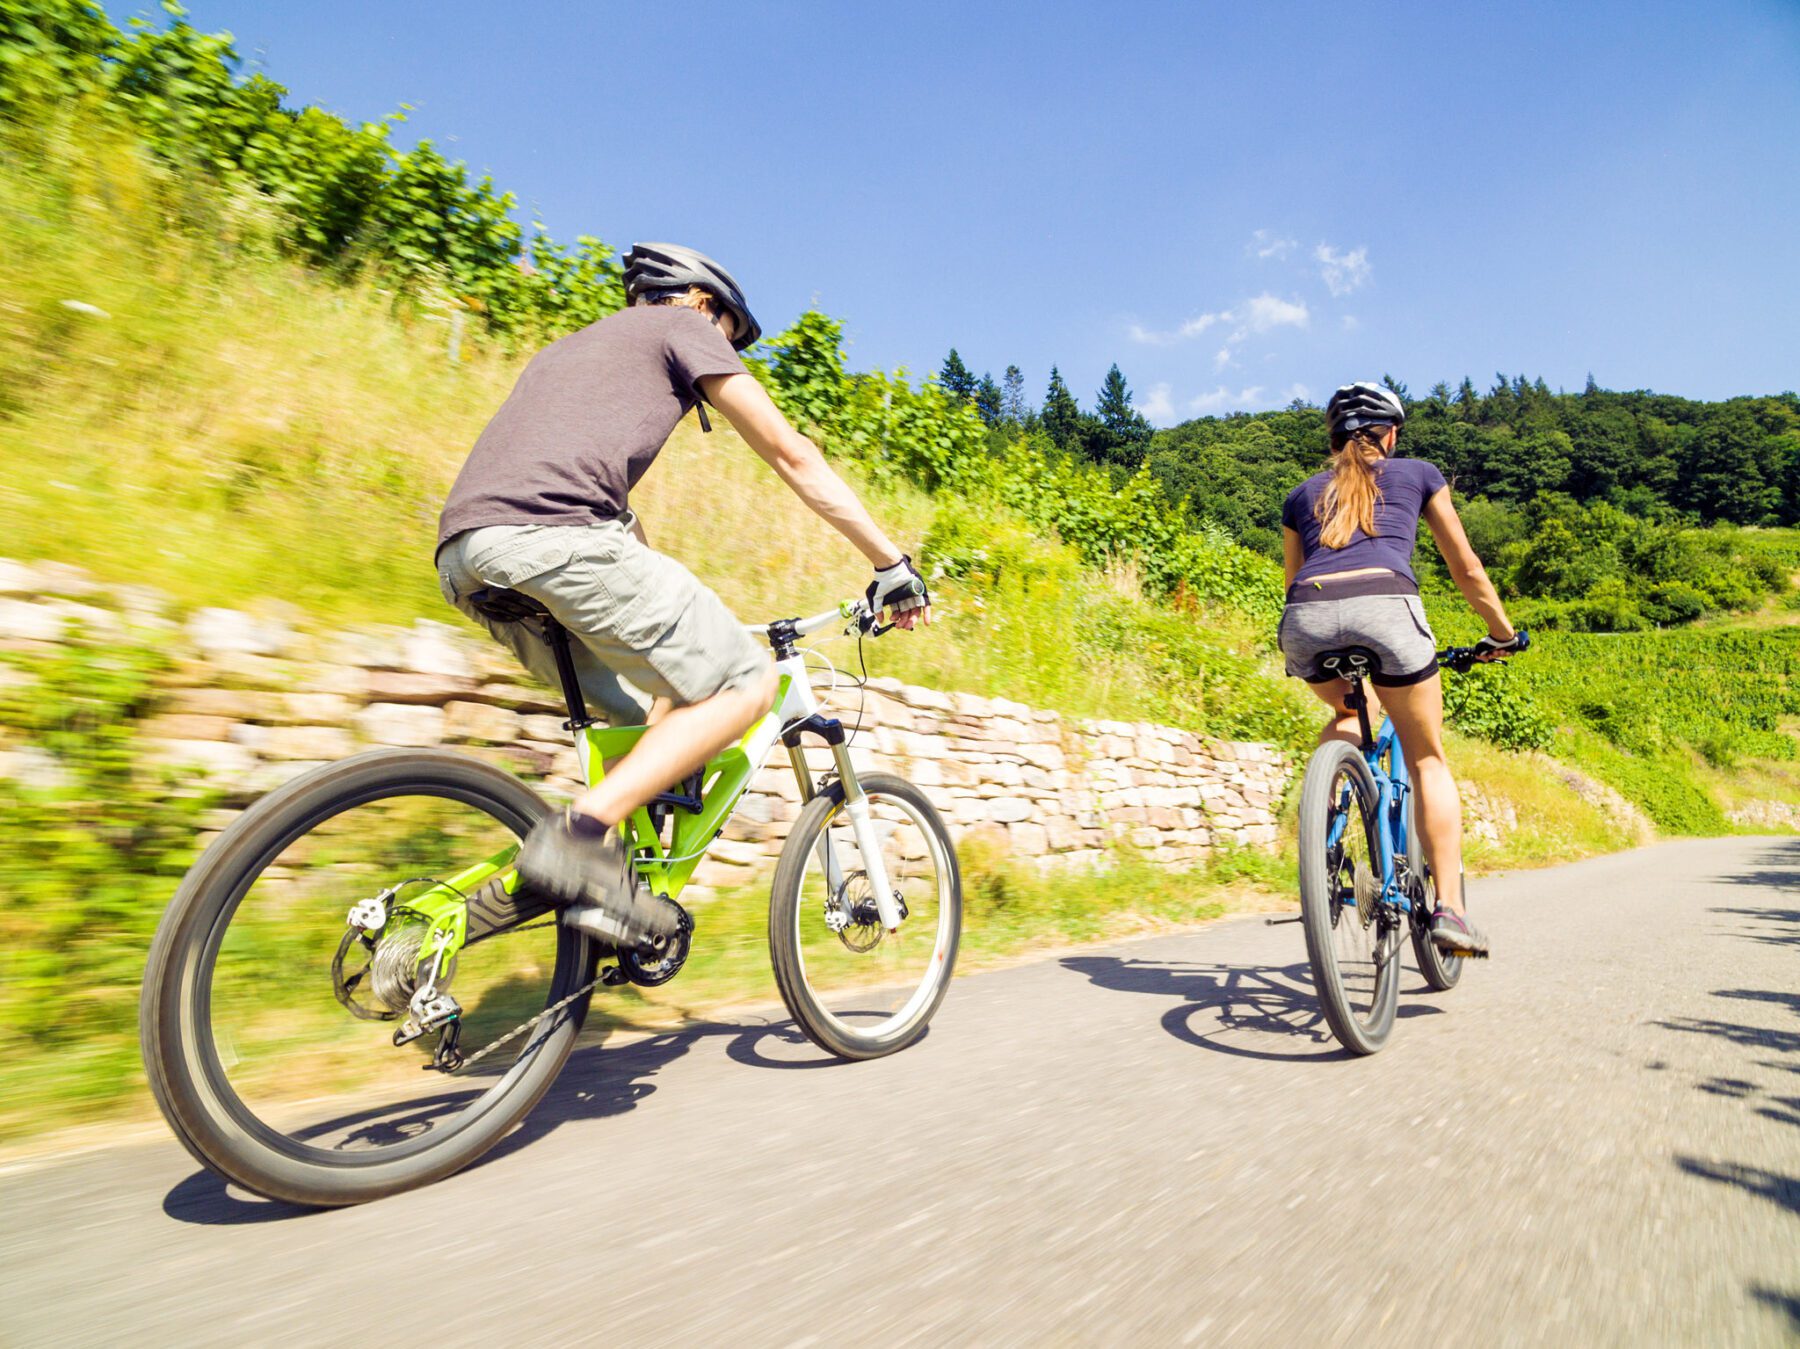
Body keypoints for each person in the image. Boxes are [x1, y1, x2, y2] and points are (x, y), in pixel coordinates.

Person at [434, 243, 929, 947]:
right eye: (729, 334)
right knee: (743, 681)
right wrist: (890, 564)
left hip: (468, 555)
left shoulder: (571, 351)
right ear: (702, 303)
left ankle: (600, 898)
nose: (722, 353)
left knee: (654, 717)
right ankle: (576, 837)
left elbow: (612, 521)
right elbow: (791, 452)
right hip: (554, 535)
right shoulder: (684, 327)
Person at [1278, 382, 1522, 956]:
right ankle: (1451, 912)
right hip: (1388, 610)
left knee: (1346, 710)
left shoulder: (1299, 495)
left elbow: (1292, 582)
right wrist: (1503, 635)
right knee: (1427, 757)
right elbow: (1465, 567)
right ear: (1390, 434)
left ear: (1334, 437)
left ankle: (1324, 837)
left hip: (1306, 618)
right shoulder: (1418, 473)